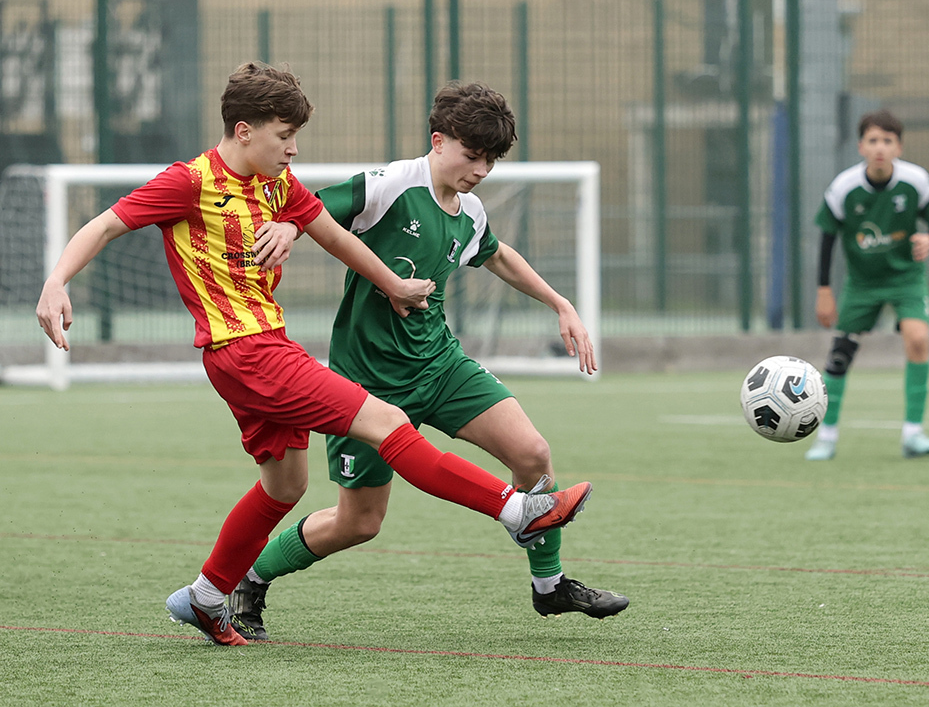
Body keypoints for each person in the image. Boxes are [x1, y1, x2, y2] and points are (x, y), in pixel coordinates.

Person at [34, 64, 594, 646]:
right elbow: (104, 226)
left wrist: (393, 285)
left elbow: (334, 235)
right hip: (245, 351)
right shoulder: (189, 181)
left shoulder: (277, 184)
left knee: (285, 486)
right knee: (388, 423)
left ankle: (206, 595)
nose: (293, 149)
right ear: (245, 130)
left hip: (267, 346)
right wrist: (57, 281)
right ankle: (515, 511)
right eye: (284, 136)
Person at [229, 81, 628, 642]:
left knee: (533, 453)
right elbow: (315, 209)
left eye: (491, 160)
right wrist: (290, 225)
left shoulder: (470, 211)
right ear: (438, 141)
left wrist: (560, 303)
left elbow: (498, 256)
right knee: (358, 523)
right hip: (367, 386)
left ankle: (550, 585)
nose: (481, 170)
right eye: (473, 155)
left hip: (440, 365)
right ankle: (250, 578)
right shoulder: (391, 184)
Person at [805, 109, 929, 461]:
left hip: (906, 278)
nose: (880, 147)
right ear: (861, 147)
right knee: (840, 355)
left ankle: (914, 434)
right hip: (862, 282)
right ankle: (826, 437)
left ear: (899, 147)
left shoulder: (916, 181)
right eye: (873, 140)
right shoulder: (844, 188)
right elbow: (827, 239)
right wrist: (824, 290)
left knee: (918, 339)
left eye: (887, 140)